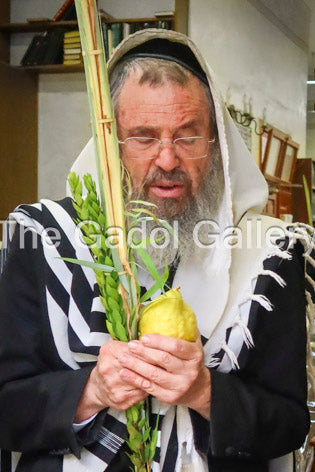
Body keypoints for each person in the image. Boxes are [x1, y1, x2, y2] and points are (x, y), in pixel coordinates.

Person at [0, 29, 311, 472]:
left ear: (217, 141)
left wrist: (205, 392)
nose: (167, 160)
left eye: (187, 137)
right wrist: (92, 392)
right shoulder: (43, 240)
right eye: (144, 138)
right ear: (110, 144)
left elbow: (290, 424)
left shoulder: (268, 253)